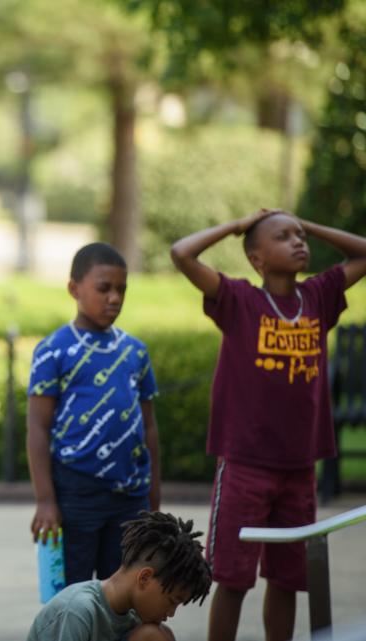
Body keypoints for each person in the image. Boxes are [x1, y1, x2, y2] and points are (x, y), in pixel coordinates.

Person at [170, 208, 366, 641]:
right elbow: (182, 254)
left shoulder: (318, 295)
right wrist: (237, 227)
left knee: (287, 579)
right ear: (257, 259)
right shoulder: (239, 300)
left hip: (299, 467)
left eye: (301, 235)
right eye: (283, 236)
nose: (298, 242)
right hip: (245, 464)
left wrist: (309, 222)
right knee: (233, 579)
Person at [27, 242, 162, 585]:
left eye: (121, 289)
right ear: (74, 288)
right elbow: (37, 429)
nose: (114, 297)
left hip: (130, 495)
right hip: (75, 493)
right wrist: (45, 501)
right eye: (104, 288)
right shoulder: (53, 350)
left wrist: (153, 499)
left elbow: (149, 429)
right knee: (74, 596)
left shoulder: (135, 352)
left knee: (123, 595)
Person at [26, 511, 213, 641]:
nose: (170, 613)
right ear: (145, 578)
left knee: (156, 635)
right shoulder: (78, 610)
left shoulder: (134, 617)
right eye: (172, 601)